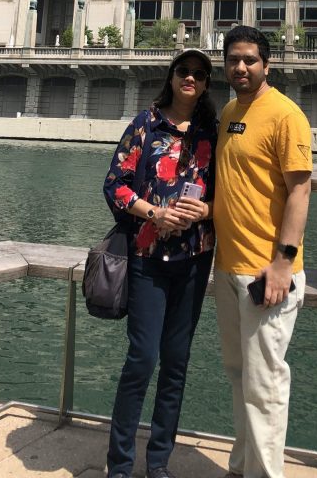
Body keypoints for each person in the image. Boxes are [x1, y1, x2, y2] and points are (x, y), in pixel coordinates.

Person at [102, 49, 217, 478]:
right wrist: (154, 212)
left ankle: (159, 465)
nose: (190, 78)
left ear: (206, 83)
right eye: (183, 71)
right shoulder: (144, 124)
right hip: (147, 256)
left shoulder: (212, 132)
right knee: (142, 358)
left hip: (194, 258)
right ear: (171, 77)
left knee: (176, 362)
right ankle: (119, 465)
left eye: (199, 74)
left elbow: (226, 195)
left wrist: (205, 212)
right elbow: (114, 185)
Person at [213, 25, 312, 478]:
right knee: (239, 376)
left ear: (266, 65)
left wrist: (282, 264)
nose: (241, 67)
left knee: (265, 384)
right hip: (227, 267)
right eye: (234, 59)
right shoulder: (230, 110)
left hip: (265, 273)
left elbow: (300, 191)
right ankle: (242, 466)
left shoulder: (286, 115)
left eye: (250, 59)